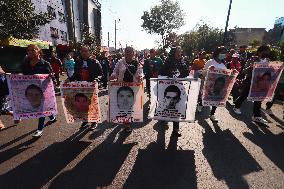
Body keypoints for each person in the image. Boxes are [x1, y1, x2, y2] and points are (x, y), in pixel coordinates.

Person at [21, 44, 57, 138]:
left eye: (33, 50)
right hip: (31, 90)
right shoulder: (25, 64)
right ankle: (52, 118)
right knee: (43, 107)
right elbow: (23, 75)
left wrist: (52, 78)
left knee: (41, 108)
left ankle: (39, 129)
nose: (30, 52)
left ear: (38, 51)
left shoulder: (45, 64)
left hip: (43, 90)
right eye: (28, 50)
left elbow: (52, 77)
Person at [233, 45, 272, 123]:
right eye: (265, 52)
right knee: (245, 95)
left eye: (267, 52)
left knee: (258, 99)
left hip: (260, 83)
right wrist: (250, 67)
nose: (266, 54)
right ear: (260, 52)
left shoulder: (267, 60)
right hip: (251, 81)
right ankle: (236, 106)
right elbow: (244, 71)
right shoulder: (252, 59)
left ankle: (256, 116)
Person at [110, 46, 143, 132]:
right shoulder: (120, 62)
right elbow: (115, 71)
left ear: (133, 53)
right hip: (121, 86)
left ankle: (127, 122)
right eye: (126, 51)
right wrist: (113, 75)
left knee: (130, 105)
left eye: (130, 51)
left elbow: (140, 72)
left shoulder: (137, 63)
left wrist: (140, 77)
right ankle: (126, 123)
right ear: (124, 53)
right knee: (123, 105)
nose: (128, 53)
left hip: (133, 87)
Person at [70, 46, 103, 130]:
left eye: (86, 51)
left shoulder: (95, 62)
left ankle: (94, 122)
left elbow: (100, 74)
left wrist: (96, 80)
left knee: (92, 104)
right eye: (82, 51)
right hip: (81, 87)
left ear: (89, 52)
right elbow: (75, 75)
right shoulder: (78, 62)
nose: (84, 53)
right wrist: (69, 79)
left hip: (91, 87)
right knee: (83, 105)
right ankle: (85, 120)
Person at [159, 46, 189, 137]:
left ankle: (176, 129)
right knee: (167, 106)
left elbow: (186, 73)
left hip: (179, 88)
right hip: (168, 88)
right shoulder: (167, 62)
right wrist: (169, 76)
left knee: (178, 107)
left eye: (180, 51)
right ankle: (164, 119)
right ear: (173, 53)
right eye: (177, 52)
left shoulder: (183, 62)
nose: (179, 53)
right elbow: (162, 73)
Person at [198, 46, 228, 123]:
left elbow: (226, 76)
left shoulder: (224, 64)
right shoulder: (210, 62)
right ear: (218, 53)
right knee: (207, 97)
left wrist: (232, 73)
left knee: (216, 100)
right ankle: (201, 104)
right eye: (222, 53)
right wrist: (209, 69)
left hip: (219, 87)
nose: (224, 54)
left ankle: (212, 114)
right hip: (209, 85)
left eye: (225, 53)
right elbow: (203, 74)